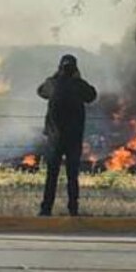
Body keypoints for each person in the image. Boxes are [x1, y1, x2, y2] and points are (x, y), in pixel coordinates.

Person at [37, 55, 97, 217]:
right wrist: (79, 79)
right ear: (75, 69)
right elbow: (92, 95)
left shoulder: (52, 83)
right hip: (73, 139)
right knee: (72, 176)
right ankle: (73, 209)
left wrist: (56, 76)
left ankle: (46, 209)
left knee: (52, 176)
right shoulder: (79, 85)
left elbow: (40, 91)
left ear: (60, 68)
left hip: (55, 138)